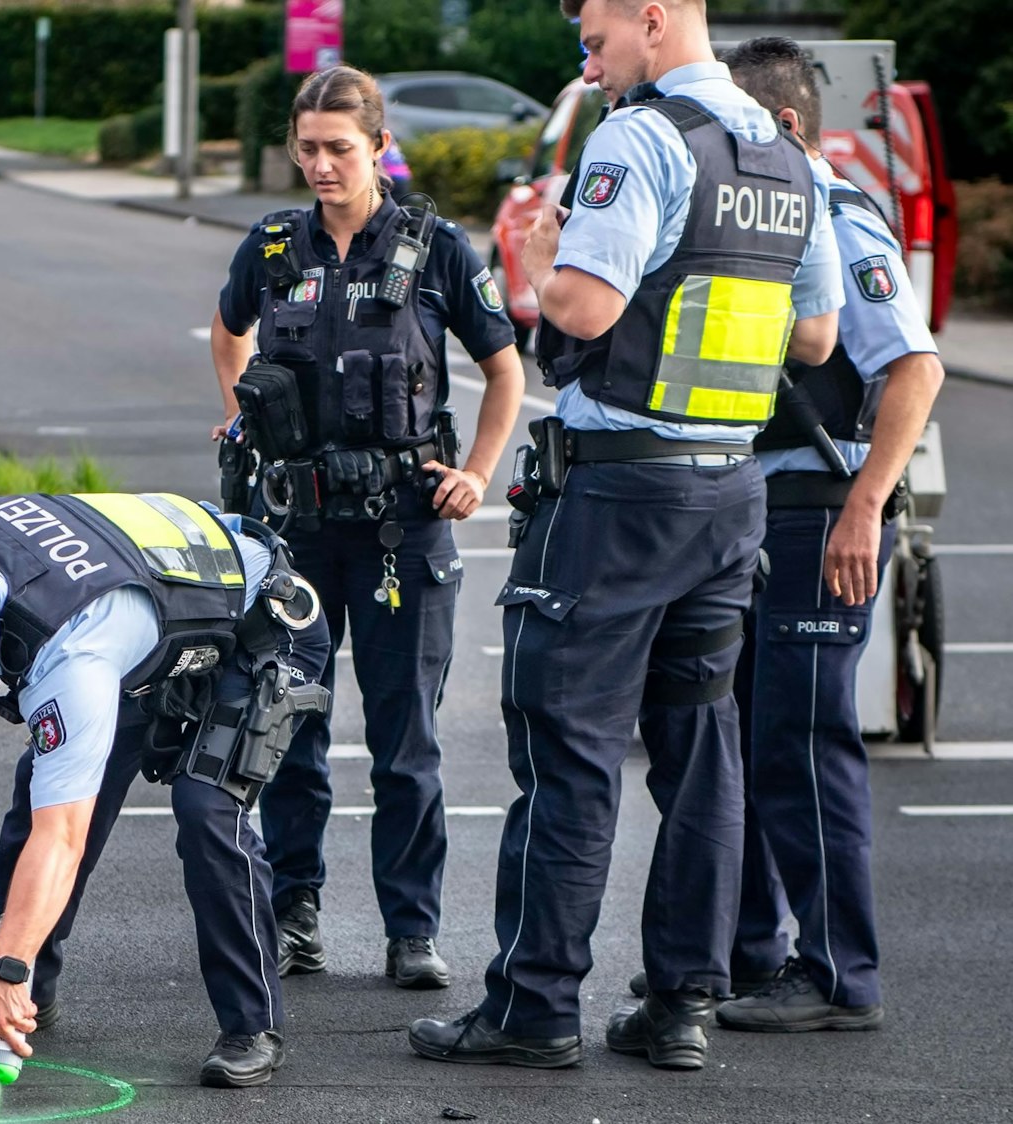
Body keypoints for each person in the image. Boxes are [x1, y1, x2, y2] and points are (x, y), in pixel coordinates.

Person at [407, 0, 845, 1070]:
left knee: (571, 751)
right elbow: (822, 333)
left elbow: (587, 311)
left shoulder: (642, 138)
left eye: (593, 27)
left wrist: (543, 258)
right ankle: (682, 1003)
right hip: (729, 490)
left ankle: (535, 1007)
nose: (581, 48)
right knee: (700, 750)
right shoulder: (788, 157)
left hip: (618, 503)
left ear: (654, 17)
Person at [619, 35, 945, 1034]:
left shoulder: (839, 218)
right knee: (742, 742)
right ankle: (746, 950)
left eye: (741, 128)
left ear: (789, 126)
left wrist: (865, 508)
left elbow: (913, 368)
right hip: (748, 511)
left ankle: (840, 973)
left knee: (803, 748)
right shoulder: (758, 221)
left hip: (820, 515)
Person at [209, 64, 525, 988]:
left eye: (338, 148)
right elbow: (227, 332)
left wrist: (476, 475)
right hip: (296, 533)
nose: (319, 165)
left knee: (405, 743)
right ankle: (295, 912)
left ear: (379, 147)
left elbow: (506, 371)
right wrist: (238, 419)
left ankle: (410, 930)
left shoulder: (437, 250)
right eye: (305, 148)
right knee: (288, 730)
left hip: (403, 533)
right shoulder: (271, 250)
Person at [0, 493, 332, 1087]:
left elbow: (62, 839)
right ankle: (16, 990)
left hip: (262, 626)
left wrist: (8, 968)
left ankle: (252, 1026)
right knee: (42, 783)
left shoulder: (71, 661)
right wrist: (3, 972)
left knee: (207, 807)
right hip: (157, 631)